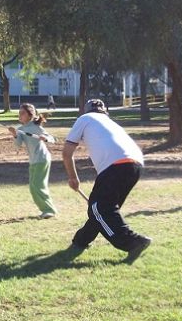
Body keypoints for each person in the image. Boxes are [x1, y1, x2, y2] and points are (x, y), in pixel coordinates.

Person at [62, 98, 151, 265]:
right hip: (136, 164)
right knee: (104, 209)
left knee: (99, 208)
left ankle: (132, 242)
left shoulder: (84, 119)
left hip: (116, 165)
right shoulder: (110, 122)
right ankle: (81, 240)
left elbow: (66, 153)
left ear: (86, 110)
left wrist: (73, 177)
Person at [8, 103, 57, 219]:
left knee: (37, 185)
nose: (19, 115)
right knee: (34, 186)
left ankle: (49, 210)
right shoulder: (20, 130)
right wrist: (15, 135)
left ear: (30, 115)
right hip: (33, 161)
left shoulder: (36, 128)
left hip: (42, 159)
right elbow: (17, 145)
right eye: (19, 113)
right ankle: (48, 209)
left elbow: (52, 139)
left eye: (22, 113)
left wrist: (45, 138)